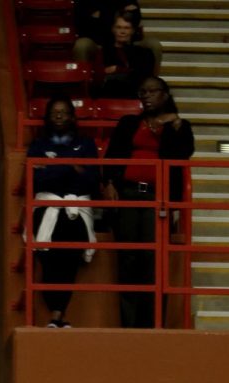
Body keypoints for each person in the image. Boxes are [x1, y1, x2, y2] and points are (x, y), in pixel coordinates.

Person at [103, 76, 194, 328]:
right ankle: (129, 325)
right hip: (130, 194)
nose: (146, 95)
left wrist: (174, 123)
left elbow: (184, 152)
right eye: (142, 91)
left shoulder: (178, 126)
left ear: (165, 94)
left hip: (159, 198)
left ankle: (153, 324)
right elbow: (112, 157)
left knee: (153, 260)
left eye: (152, 91)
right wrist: (109, 182)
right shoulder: (129, 123)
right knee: (129, 259)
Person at [27, 98, 100, 329]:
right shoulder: (38, 145)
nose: (59, 116)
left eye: (64, 112)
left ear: (72, 117)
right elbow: (36, 179)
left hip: (75, 210)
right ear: (48, 117)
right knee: (48, 259)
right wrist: (71, 167)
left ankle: (58, 315)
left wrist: (55, 167)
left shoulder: (86, 145)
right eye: (54, 113)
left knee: (69, 260)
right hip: (48, 207)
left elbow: (91, 180)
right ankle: (55, 314)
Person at [95, 10, 157, 99]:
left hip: (136, 96)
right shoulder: (103, 52)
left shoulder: (144, 53)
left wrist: (118, 69)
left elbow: (143, 78)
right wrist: (128, 72)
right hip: (111, 96)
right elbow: (98, 78)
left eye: (126, 28)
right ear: (113, 29)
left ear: (132, 31)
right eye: (119, 27)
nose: (122, 31)